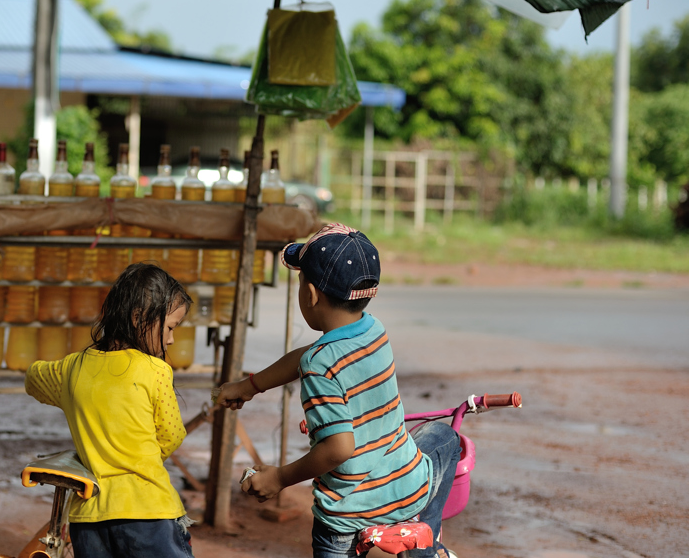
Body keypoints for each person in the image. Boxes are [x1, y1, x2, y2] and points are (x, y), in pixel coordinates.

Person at [217, 223, 459, 558]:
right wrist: (250, 386)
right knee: (446, 440)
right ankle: (427, 542)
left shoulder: (320, 366)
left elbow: (339, 448)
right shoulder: (374, 330)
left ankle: (423, 547)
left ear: (311, 294)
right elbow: (307, 357)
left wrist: (280, 478)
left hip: (345, 518)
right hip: (406, 490)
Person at [25, 263, 195, 558]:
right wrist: (136, 457)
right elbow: (171, 435)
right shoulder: (156, 371)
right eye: (170, 327)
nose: (170, 340)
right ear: (139, 317)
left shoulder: (72, 369)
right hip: (149, 512)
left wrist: (73, 394)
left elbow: (33, 377)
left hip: (88, 518)